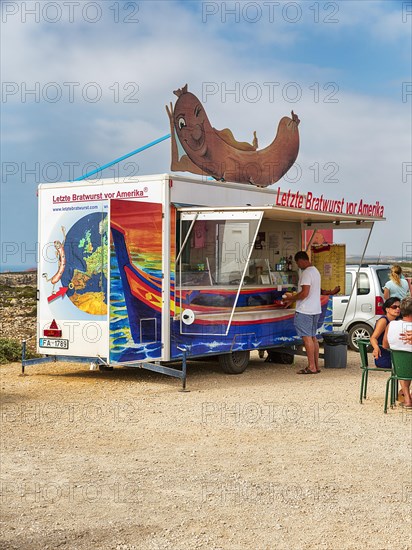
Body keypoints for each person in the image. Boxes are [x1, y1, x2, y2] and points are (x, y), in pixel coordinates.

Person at [283, 251, 321, 374]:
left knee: (307, 339)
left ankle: (311, 367)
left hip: (305, 310)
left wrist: (291, 298)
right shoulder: (315, 271)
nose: (297, 265)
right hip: (315, 309)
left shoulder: (306, 273)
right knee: (313, 338)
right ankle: (316, 365)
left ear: (301, 260)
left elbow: (305, 293)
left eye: (297, 263)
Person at [383, 297, 412, 408]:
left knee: (403, 366)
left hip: (400, 368)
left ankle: (407, 399)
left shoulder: (391, 325)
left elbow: (385, 345)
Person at [370, 297, 401, 369]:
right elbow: (373, 338)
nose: (398, 309)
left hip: (393, 352)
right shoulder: (383, 321)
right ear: (387, 309)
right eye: (394, 307)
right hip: (384, 355)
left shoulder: (397, 320)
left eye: (399, 307)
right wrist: (376, 348)